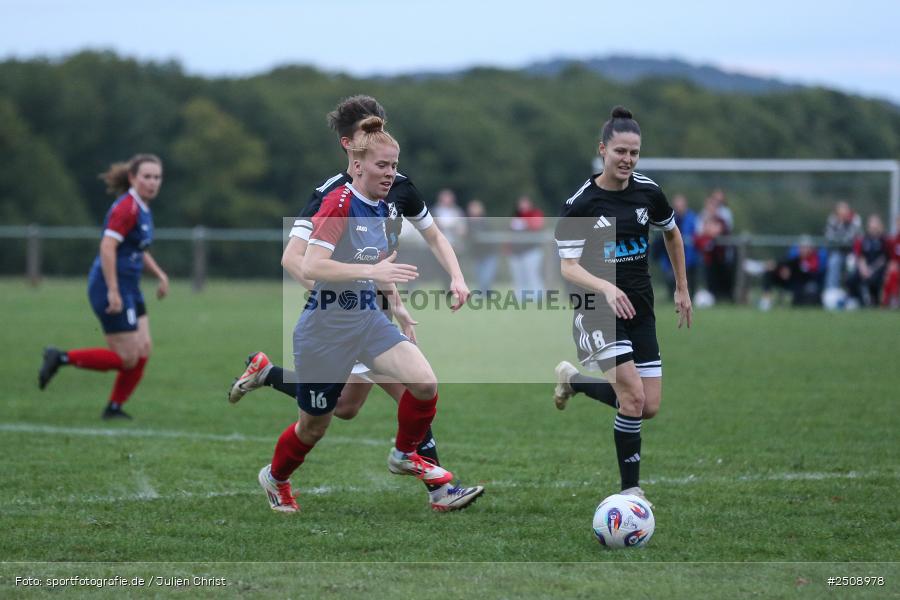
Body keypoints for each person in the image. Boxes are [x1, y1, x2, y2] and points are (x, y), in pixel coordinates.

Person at [229, 96, 482, 511]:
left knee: (418, 388)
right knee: (321, 422)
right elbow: (301, 260)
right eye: (372, 144)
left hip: (368, 317)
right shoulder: (333, 199)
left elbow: (379, 256)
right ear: (351, 147)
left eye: (392, 160)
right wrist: (341, 288)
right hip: (328, 325)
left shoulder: (390, 195)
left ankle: (423, 475)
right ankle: (275, 474)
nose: (389, 167)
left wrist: (398, 300)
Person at [551, 106, 693, 505]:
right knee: (631, 397)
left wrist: (682, 288)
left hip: (641, 308)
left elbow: (673, 236)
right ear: (603, 150)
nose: (627, 160)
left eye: (634, 153)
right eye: (620, 152)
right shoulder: (581, 204)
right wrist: (605, 288)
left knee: (647, 406)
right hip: (595, 307)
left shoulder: (648, 192)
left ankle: (574, 381)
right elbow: (568, 267)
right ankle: (631, 490)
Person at [38, 154, 169, 419]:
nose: (152, 182)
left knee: (143, 349)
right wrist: (113, 290)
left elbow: (136, 248)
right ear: (133, 178)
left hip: (130, 287)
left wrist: (159, 274)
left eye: (157, 177)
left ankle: (114, 408)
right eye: (147, 176)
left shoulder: (143, 208)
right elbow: (107, 247)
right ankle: (60, 357)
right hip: (112, 286)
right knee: (127, 358)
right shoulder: (127, 208)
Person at [758, 236, 824, 310]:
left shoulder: (814, 259)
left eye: (805, 247)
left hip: (803, 284)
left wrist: (790, 272)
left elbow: (809, 273)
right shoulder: (794, 257)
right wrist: (781, 269)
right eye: (801, 247)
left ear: (811, 249)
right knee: (768, 273)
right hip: (789, 281)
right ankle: (766, 299)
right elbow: (785, 262)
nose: (803, 250)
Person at [507, 195, 546, 301]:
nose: (523, 206)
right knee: (519, 277)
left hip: (531, 251)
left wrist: (525, 224)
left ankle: (538, 297)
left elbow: (537, 227)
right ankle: (520, 298)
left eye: (525, 203)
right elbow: (510, 234)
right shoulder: (515, 215)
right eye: (521, 203)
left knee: (532, 275)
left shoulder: (535, 213)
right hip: (516, 252)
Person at [847, 214, 889, 307]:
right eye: (871, 225)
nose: (873, 227)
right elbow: (861, 256)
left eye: (875, 225)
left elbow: (883, 258)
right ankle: (858, 301)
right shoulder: (864, 239)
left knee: (874, 280)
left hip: (878, 269)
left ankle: (874, 302)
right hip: (865, 268)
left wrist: (871, 269)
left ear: (879, 226)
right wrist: (864, 269)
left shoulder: (884, 239)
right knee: (852, 279)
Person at [823, 201, 863, 291]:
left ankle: (851, 292)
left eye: (845, 210)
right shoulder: (833, 219)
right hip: (838, 251)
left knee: (851, 265)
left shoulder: (855, 219)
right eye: (840, 211)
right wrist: (840, 225)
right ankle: (831, 292)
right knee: (833, 262)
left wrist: (840, 234)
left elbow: (852, 237)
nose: (843, 213)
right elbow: (829, 236)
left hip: (852, 251)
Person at [465, 199, 499, 293]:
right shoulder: (467, 223)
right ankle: (483, 294)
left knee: (487, 277)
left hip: (489, 254)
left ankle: (486, 293)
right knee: (480, 278)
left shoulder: (485, 222)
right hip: (477, 255)